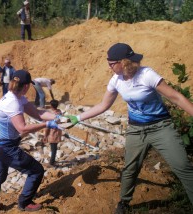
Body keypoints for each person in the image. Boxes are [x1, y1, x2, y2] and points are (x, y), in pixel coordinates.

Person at [65, 43, 193, 214]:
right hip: (136, 130)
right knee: (130, 169)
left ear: (123, 62)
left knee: (182, 165)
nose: (109, 67)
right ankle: (124, 202)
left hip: (161, 127)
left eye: (111, 63)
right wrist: (77, 118)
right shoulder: (116, 81)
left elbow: (176, 97)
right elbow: (103, 105)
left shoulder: (147, 75)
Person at [0, 70, 62, 213]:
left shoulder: (16, 97)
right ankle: (25, 202)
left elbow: (38, 113)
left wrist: (55, 118)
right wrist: (47, 125)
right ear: (26, 86)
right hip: (5, 146)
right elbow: (23, 128)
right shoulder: (13, 103)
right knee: (36, 171)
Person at [43, 100, 62, 166]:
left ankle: (51, 162)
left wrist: (45, 136)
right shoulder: (59, 112)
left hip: (52, 132)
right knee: (54, 147)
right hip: (58, 131)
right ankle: (52, 160)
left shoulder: (50, 115)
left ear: (51, 106)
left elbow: (48, 126)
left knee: (53, 148)